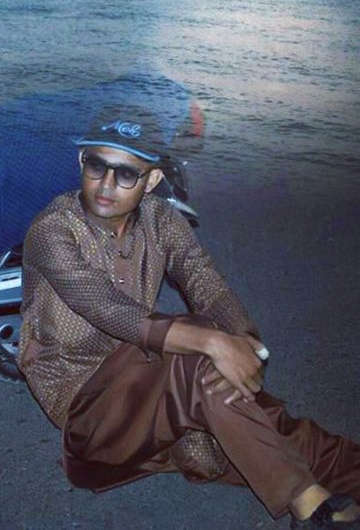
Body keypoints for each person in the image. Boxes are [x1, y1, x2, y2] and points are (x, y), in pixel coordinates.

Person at [18, 109, 360, 527]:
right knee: (201, 354)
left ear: (152, 181)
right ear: (81, 161)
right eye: (97, 166)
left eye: (126, 174)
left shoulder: (161, 219)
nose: (106, 185)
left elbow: (205, 282)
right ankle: (305, 502)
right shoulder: (52, 230)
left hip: (148, 373)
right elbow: (106, 307)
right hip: (84, 406)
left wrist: (244, 343)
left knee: (251, 407)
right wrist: (215, 344)